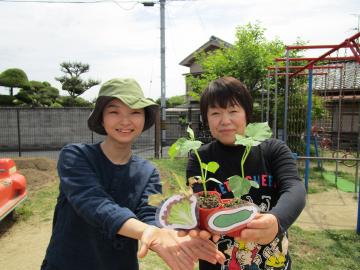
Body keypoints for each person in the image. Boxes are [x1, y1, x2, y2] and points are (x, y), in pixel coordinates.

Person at [41, 78, 225, 270]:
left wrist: (174, 234)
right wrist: (147, 231)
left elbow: (149, 214)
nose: (125, 121)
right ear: (101, 118)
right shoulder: (76, 155)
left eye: (135, 112)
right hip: (67, 262)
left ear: (144, 118)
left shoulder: (147, 172)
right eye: (114, 112)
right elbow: (93, 202)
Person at [186, 76, 306, 270]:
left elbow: (294, 187)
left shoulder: (273, 150)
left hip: (272, 262)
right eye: (215, 113)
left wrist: (277, 220)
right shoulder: (200, 158)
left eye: (233, 111)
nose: (225, 121)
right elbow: (198, 201)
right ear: (206, 118)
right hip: (218, 261)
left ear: (247, 114)